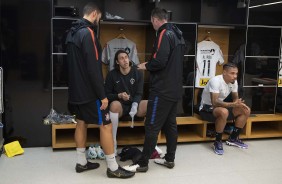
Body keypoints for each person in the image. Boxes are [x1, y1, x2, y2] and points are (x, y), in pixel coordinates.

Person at [65, 3, 134, 178]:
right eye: (99, 18)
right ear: (94, 14)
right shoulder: (88, 33)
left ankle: (81, 163)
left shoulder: (71, 33)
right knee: (106, 126)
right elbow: (93, 68)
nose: (99, 21)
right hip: (90, 93)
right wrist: (102, 95)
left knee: (81, 122)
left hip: (75, 92)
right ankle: (112, 168)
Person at [123, 8, 185, 172]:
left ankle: (142, 164)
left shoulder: (164, 34)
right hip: (175, 89)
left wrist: (146, 65)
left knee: (151, 125)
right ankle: (170, 159)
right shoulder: (178, 34)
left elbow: (160, 61)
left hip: (162, 90)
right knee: (170, 125)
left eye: (151, 22)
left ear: (155, 20)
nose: (152, 24)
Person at [198, 62, 251, 155]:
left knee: (246, 110)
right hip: (206, 108)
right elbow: (214, 102)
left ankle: (233, 138)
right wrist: (233, 104)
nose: (235, 76)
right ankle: (217, 141)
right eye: (232, 73)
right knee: (224, 112)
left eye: (236, 73)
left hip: (222, 107)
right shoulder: (215, 81)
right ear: (224, 72)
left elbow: (235, 98)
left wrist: (239, 104)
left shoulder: (234, 82)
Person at [104, 49, 148, 154]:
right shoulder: (111, 74)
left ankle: (151, 144)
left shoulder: (137, 73)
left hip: (135, 106)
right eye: (121, 58)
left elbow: (139, 93)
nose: (125, 60)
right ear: (117, 62)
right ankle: (113, 143)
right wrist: (118, 95)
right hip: (120, 107)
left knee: (150, 104)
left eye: (126, 57)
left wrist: (135, 104)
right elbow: (106, 95)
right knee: (114, 105)